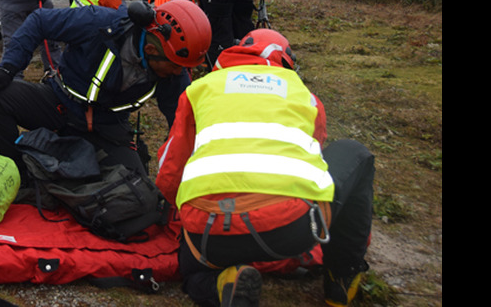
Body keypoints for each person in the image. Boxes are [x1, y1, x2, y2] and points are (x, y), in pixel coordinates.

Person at [155, 29, 375, 307]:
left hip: (208, 233)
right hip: (290, 231)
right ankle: (341, 279)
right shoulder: (304, 95)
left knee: (195, 270)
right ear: (285, 61)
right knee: (357, 154)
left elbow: (169, 171)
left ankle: (223, 283)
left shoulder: (199, 90)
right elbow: (314, 160)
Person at [0, 0, 211, 180]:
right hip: (59, 104)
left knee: (135, 189)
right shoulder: (100, 23)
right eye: (175, 66)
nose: (179, 73)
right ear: (151, 50)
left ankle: (80, 158)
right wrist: (8, 69)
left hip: (108, 126)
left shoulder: (173, 70)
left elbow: (182, 124)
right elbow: (40, 21)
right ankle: (20, 176)